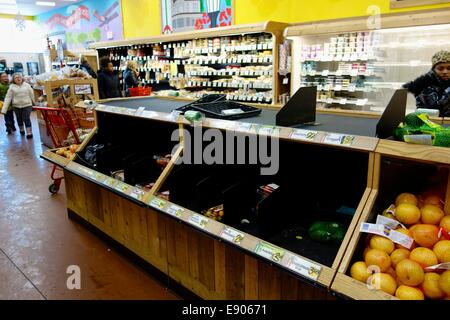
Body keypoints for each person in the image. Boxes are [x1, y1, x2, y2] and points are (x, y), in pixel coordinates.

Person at [403, 50, 450, 117]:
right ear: (434, 69)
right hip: (427, 123)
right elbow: (435, 108)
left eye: (449, 68)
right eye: (440, 68)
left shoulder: (446, 82)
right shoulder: (424, 84)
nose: (445, 71)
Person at [1, 73, 35, 139]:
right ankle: (21, 129)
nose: (18, 78)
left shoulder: (27, 85)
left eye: (19, 77)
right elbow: (8, 98)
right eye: (16, 77)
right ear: (13, 80)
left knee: (26, 118)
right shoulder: (11, 87)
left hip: (27, 105)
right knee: (19, 119)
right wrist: (4, 109)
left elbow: (32, 95)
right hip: (16, 106)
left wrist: (35, 103)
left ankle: (29, 132)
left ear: (22, 78)